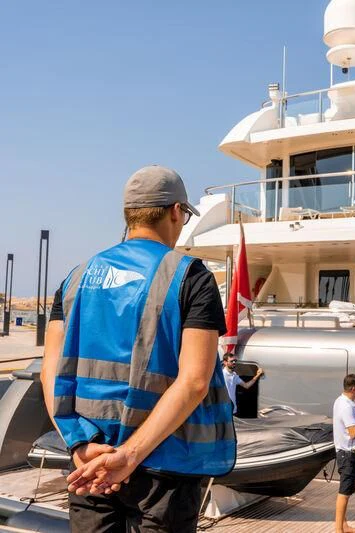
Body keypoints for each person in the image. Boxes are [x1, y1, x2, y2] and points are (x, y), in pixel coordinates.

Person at [40, 165, 234, 532]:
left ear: (129, 215)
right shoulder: (192, 277)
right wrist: (129, 454)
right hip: (169, 467)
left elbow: (50, 370)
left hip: (91, 460)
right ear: (175, 211)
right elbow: (194, 381)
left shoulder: (75, 278)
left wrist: (78, 445)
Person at [333, 374, 355, 533]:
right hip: (349, 454)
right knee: (344, 493)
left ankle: (344, 525)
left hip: (345, 452)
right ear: (354, 388)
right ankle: (338, 530)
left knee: (345, 490)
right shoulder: (346, 407)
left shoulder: (342, 401)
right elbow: (353, 433)